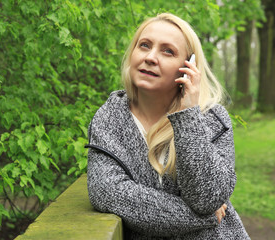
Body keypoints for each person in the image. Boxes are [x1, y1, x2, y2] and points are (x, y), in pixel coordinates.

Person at [86, 13, 250, 239]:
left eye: (167, 51)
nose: (151, 57)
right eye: (144, 46)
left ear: (188, 67)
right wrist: (205, 218)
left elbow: (206, 198)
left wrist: (187, 116)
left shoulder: (213, 119)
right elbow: (107, 192)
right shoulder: (110, 118)